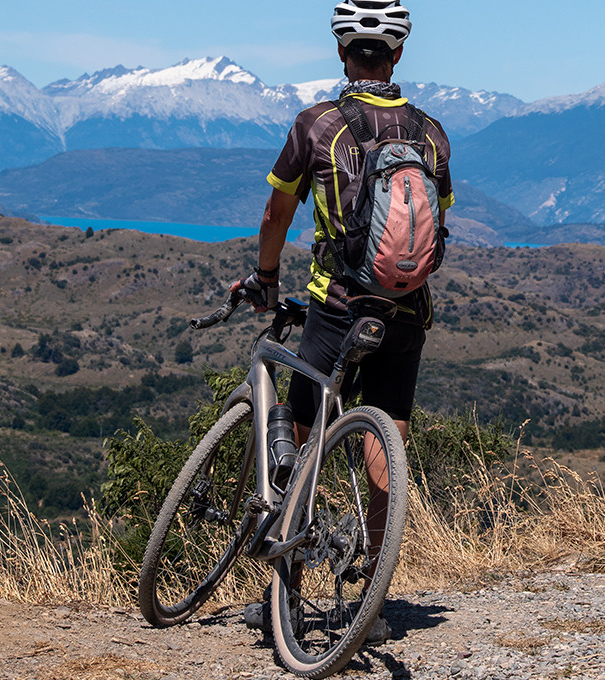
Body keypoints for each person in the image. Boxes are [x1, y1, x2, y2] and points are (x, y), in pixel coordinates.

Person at [233, 0, 454, 646]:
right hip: (405, 312)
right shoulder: (432, 134)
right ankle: (371, 605)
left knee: (301, 441)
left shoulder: (318, 125)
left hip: (337, 309)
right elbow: (436, 220)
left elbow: (276, 214)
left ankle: (286, 595)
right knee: (385, 445)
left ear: (341, 52)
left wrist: (266, 277)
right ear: (398, 53)